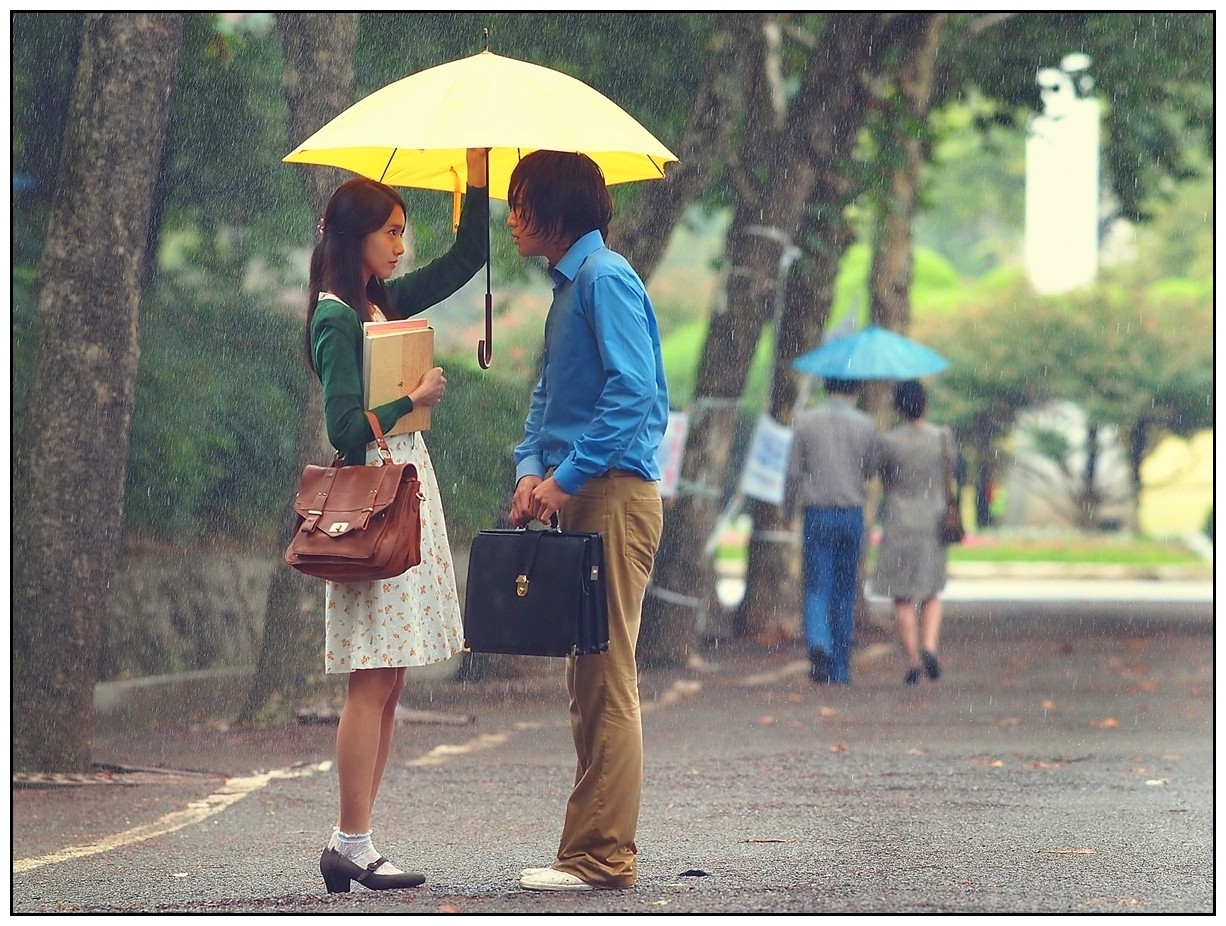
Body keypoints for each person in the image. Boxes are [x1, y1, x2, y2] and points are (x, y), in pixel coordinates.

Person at [306, 149, 488, 893]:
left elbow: (469, 257)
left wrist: (477, 179)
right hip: (373, 504)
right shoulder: (335, 318)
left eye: (403, 231)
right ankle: (350, 838)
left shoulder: (380, 305)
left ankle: (358, 838)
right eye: (389, 231)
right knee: (370, 677)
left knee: (393, 677)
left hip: (403, 492)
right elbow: (344, 426)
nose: (400, 246)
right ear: (356, 239)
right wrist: (412, 403)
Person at [504, 150, 667, 892]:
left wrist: (564, 478)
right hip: (582, 491)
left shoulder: (606, 279)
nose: (510, 218)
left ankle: (602, 858)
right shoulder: (570, 286)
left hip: (610, 493)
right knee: (588, 678)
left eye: (520, 202)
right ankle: (587, 851)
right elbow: (549, 398)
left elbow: (633, 392)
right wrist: (531, 471)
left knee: (607, 677)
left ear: (556, 211)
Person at [783, 376, 879, 685]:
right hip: (851, 514)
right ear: (855, 387)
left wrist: (787, 510)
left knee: (816, 586)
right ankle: (839, 668)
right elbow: (871, 469)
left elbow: (793, 472)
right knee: (845, 590)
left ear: (826, 386)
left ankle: (819, 643)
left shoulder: (805, 422)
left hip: (817, 514)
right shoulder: (865, 425)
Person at [872, 379, 953, 685]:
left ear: (897, 408)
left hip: (900, 522)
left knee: (902, 595)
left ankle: (913, 661)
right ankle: (930, 645)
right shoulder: (942, 438)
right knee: (931, 590)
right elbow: (950, 471)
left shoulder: (889, 442)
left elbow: (884, 477)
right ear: (926, 405)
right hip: (935, 520)